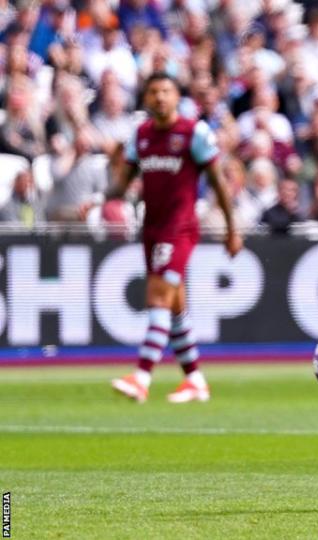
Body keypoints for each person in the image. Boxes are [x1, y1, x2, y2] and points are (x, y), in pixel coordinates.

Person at [110, 72, 243, 404]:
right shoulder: (139, 136)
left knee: (157, 297)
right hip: (152, 228)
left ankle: (141, 376)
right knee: (175, 307)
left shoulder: (193, 133)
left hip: (179, 228)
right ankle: (195, 380)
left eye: (166, 91)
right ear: (145, 99)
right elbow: (121, 184)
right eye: (153, 92)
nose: (159, 98)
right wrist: (99, 200)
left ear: (177, 96)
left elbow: (218, 183)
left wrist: (232, 228)